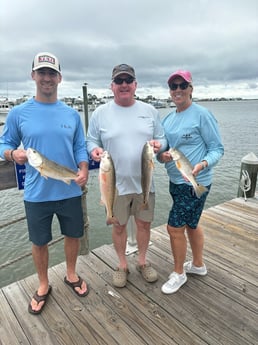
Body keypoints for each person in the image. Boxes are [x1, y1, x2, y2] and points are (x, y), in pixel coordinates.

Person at [0, 52, 89, 314]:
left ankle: (71, 274)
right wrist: (11, 154)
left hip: (69, 188)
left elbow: (80, 147)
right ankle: (42, 284)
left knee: (73, 235)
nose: (47, 78)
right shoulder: (18, 113)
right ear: (33, 76)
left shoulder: (71, 114)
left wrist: (82, 168)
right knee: (38, 242)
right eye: (42, 73)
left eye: (52, 73)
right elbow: (4, 144)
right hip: (36, 193)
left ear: (59, 78)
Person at [87, 64, 167, 288]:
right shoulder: (100, 113)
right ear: (112, 86)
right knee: (119, 226)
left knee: (143, 225)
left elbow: (163, 139)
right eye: (119, 81)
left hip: (145, 183)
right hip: (114, 184)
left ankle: (142, 261)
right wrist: (93, 149)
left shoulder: (150, 111)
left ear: (135, 85)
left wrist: (160, 145)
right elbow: (90, 140)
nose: (124, 85)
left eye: (128, 81)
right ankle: (122, 265)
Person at [158, 70, 224, 294]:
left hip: (196, 182)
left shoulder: (202, 115)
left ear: (191, 88)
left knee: (174, 227)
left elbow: (217, 148)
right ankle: (198, 265)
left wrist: (203, 164)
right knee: (192, 224)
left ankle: (179, 273)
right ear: (170, 91)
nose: (178, 90)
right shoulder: (167, 119)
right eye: (173, 86)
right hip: (176, 181)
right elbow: (162, 153)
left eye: (182, 85)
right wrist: (161, 155)